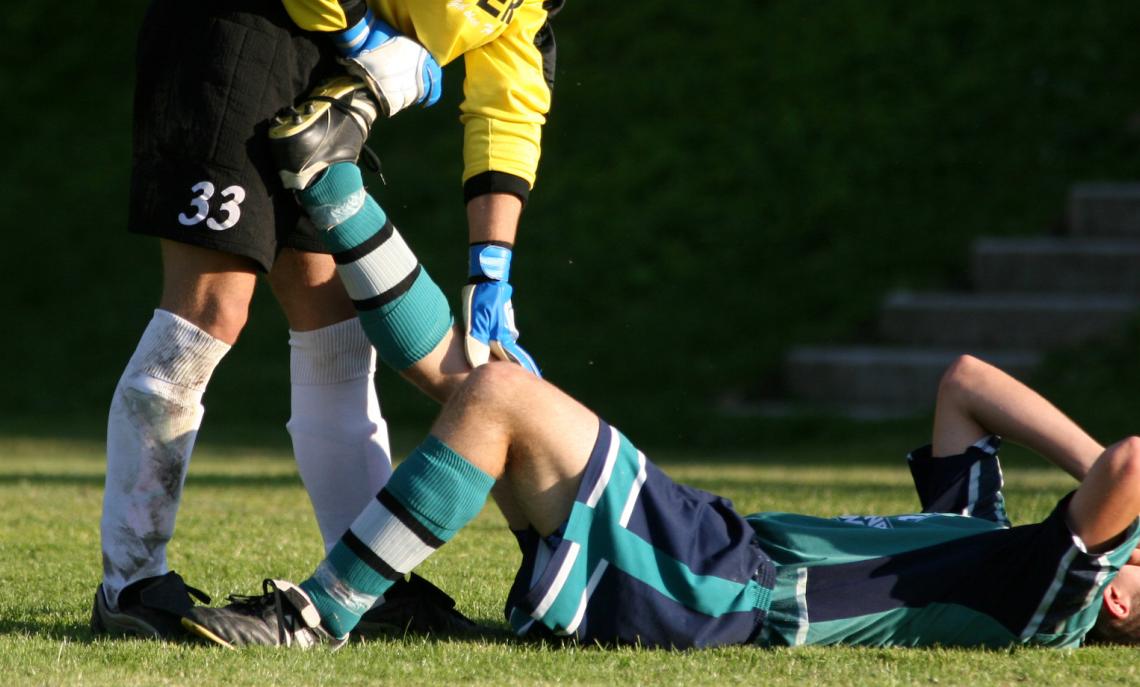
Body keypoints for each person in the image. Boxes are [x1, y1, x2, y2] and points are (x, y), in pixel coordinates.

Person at [176, 336, 1140, 648]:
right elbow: (966, 382)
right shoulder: (987, 537)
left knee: (502, 394)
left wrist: (1115, 502)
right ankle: (325, 189)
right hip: (710, 550)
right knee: (478, 373)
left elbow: (1127, 467)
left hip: (731, 591)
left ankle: (318, 614)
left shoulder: (1050, 600)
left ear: (1122, 597)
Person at [93, 0, 560, 640]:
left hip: (325, 68)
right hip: (240, 27)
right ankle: (130, 582)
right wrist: (363, 34)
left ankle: (366, 585)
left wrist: (492, 268)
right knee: (212, 308)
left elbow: (507, 109)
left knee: (336, 323)